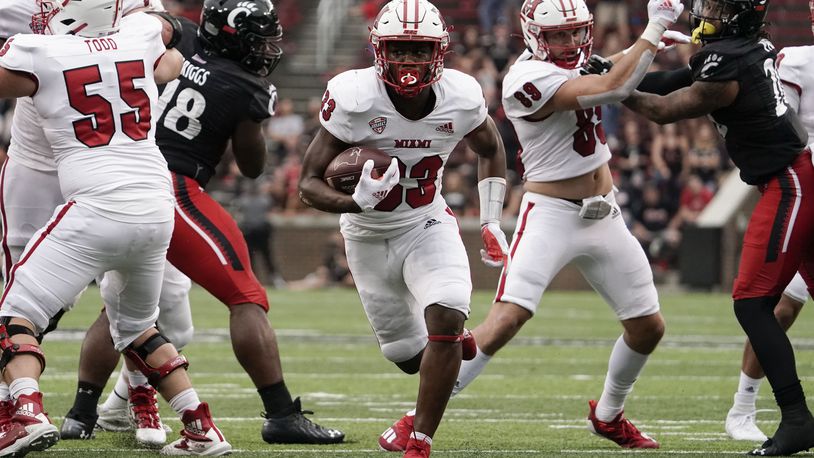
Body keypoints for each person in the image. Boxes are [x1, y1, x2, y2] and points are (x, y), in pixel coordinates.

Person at [377, 0, 685, 451]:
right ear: (534, 36)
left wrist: (639, 50)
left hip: (604, 212)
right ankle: (415, 418)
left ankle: (608, 415)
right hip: (551, 213)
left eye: (576, 32)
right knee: (506, 319)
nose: (570, 42)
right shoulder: (525, 78)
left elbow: (600, 68)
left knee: (648, 327)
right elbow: (610, 85)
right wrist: (653, 30)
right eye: (558, 35)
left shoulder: (566, 62)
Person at [60, 0, 346, 446]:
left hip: (118, 177)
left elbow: (158, 29)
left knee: (122, 308)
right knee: (246, 296)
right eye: (258, 41)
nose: (267, 49)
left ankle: (81, 415)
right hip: (171, 187)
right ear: (234, 39)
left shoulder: (185, 39)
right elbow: (252, 166)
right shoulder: (248, 85)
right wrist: (248, 116)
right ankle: (281, 414)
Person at [0, 0, 232, 455]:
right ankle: (200, 426)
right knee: (139, 328)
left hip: (96, 205)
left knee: (13, 316)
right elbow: (173, 52)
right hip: (155, 208)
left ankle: (26, 413)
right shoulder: (138, 36)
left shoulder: (40, 51)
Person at [298, 1, 509, 456]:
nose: (408, 60)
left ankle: (420, 440)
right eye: (399, 49)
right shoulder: (354, 97)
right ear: (380, 49)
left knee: (447, 314)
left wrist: (491, 218)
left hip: (425, 221)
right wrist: (354, 202)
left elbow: (491, 148)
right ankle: (449, 345)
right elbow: (307, 184)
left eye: (419, 50)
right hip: (367, 235)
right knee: (407, 357)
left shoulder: (461, 96)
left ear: (439, 52)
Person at [619, 0, 814, 454]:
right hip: (789, 179)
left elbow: (663, 109)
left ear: (742, 14)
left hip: (789, 184)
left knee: (752, 303)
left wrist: (608, 89)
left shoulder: (730, 61)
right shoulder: (749, 48)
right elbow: (673, 78)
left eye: (718, 8)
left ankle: (797, 419)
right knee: (764, 305)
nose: (707, 15)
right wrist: (612, 71)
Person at [724, 25, 814, 440]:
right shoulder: (797, 61)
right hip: (803, 198)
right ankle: (743, 409)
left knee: (760, 304)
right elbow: (779, 130)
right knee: (774, 308)